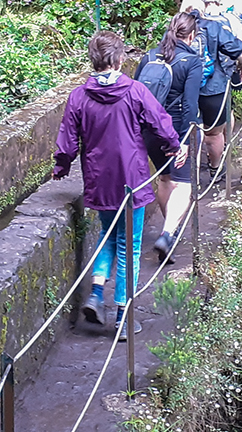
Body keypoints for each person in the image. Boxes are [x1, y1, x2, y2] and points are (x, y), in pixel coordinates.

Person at [53, 29, 181, 341]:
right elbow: (160, 121)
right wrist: (174, 145)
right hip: (132, 180)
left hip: (100, 179)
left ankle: (97, 293)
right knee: (130, 248)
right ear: (120, 59)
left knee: (108, 236)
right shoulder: (135, 91)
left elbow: (68, 139)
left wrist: (61, 165)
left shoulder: (79, 96)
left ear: (92, 60)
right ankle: (124, 317)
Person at [141, 12, 204, 263]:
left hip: (148, 129)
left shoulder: (149, 56)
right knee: (185, 184)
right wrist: (186, 141)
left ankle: (169, 232)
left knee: (165, 179)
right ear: (191, 35)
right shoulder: (191, 60)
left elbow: (136, 92)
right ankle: (168, 234)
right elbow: (190, 104)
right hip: (175, 128)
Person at [180, 0, 242, 177]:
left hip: (182, 89)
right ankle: (216, 170)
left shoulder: (174, 27)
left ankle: (189, 176)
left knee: (188, 130)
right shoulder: (213, 25)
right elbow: (235, 49)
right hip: (212, 88)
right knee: (213, 134)